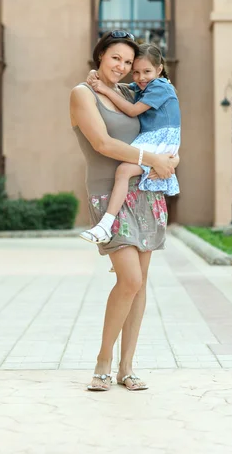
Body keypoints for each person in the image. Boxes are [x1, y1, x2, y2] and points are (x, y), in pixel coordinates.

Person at [70, 30, 179, 391]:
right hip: (109, 194)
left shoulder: (130, 92)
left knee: (139, 284)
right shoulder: (82, 94)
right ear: (100, 56)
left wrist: (168, 158)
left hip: (146, 190)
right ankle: (103, 361)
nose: (123, 66)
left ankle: (126, 366)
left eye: (129, 62)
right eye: (115, 58)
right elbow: (102, 143)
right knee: (129, 279)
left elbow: (159, 123)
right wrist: (152, 159)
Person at [80, 43, 180, 245]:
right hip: (154, 140)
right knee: (127, 171)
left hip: (159, 139)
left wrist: (103, 90)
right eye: (135, 72)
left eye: (146, 71)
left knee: (124, 171)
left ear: (159, 69)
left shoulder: (160, 86)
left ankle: (105, 225)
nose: (141, 77)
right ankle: (109, 229)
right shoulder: (144, 86)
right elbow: (117, 87)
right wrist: (95, 74)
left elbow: (132, 110)